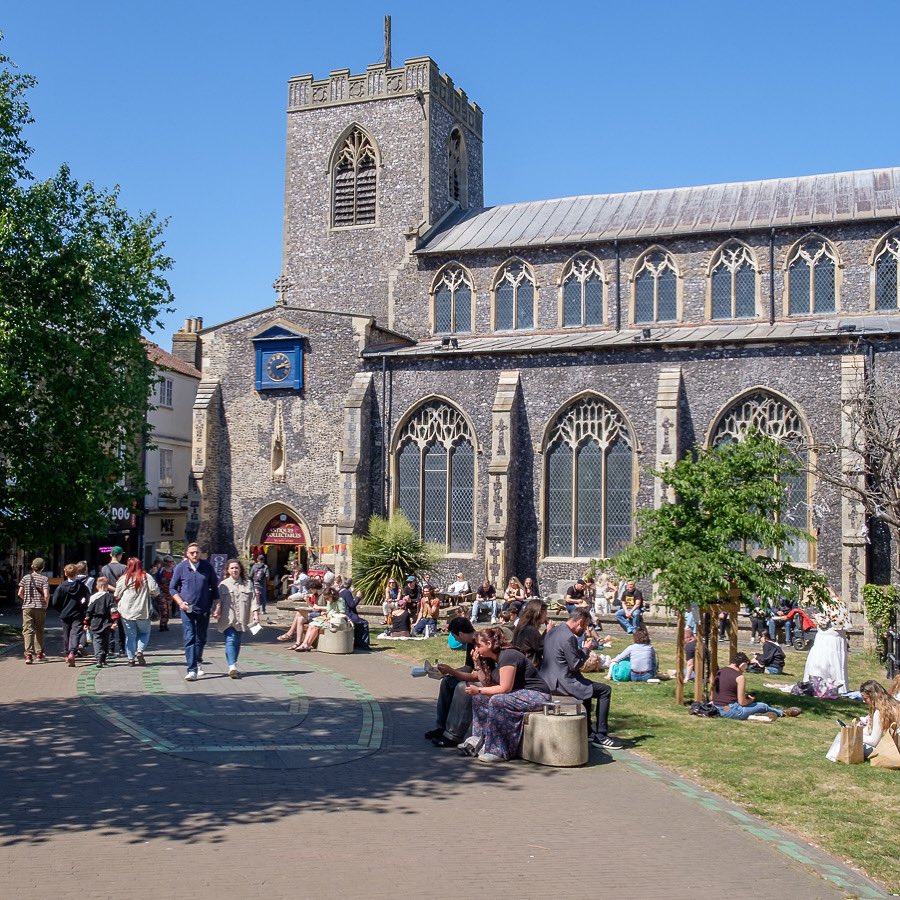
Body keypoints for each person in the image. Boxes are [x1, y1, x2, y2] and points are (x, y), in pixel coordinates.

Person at [459, 627, 551, 762]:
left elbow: (505, 688)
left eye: (479, 645)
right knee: (479, 699)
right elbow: (487, 684)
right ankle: (478, 740)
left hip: (538, 695)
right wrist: (477, 664)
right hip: (518, 693)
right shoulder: (493, 659)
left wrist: (478, 690)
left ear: (489, 644)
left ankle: (498, 750)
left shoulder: (508, 656)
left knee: (497, 700)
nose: (476, 649)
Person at [540, 609, 623, 749]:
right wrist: (586, 649)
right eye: (585, 626)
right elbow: (575, 665)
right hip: (563, 683)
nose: (585, 630)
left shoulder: (553, 631)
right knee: (605, 690)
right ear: (580, 622)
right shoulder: (569, 637)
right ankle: (601, 735)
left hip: (548, 679)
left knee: (588, 687)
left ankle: (588, 731)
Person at [425, 617, 478, 748]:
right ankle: (442, 727)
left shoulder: (480, 644)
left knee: (462, 687)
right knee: (448, 681)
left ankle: (453, 734)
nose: (455, 640)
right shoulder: (471, 643)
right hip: (479, 676)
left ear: (460, 633)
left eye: (454, 636)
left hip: (487, 680)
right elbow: (468, 667)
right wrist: (447, 672)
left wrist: (452, 671)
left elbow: (478, 675)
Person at [171, 543, 219, 681]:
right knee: (189, 637)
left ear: (200, 553)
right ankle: (191, 669)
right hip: (186, 609)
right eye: (192, 552)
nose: (194, 555)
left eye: (197, 552)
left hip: (203, 608)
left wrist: (217, 606)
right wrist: (180, 602)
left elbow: (214, 587)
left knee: (201, 638)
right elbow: (172, 588)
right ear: (187, 553)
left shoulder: (207, 567)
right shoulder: (181, 567)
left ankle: (198, 661)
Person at [712, 653, 801, 720]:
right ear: (743, 664)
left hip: (717, 708)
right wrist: (751, 699)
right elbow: (742, 703)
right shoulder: (739, 677)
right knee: (762, 705)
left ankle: (761, 715)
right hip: (732, 711)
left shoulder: (720, 671)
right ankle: (783, 713)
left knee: (756, 707)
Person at [214, 558, 259, 678]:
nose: (234, 570)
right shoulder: (223, 585)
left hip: (242, 618)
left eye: (236, 568)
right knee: (231, 639)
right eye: (232, 568)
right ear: (228, 570)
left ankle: (233, 663)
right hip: (227, 618)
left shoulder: (248, 583)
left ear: (240, 569)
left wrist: (255, 614)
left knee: (237, 641)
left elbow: (254, 599)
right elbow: (218, 601)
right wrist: (216, 611)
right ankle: (232, 667)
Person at [803, 590, 851, 693]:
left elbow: (824, 623)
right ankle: (839, 686)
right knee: (837, 662)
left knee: (822, 661)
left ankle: (821, 685)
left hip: (826, 637)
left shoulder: (827, 604)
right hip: (838, 637)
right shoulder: (843, 604)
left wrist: (817, 617)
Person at [115, 557, 160, 667]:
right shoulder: (146, 576)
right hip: (142, 611)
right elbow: (155, 591)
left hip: (127, 612)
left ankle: (131, 660)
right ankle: (140, 651)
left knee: (130, 636)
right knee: (144, 633)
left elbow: (116, 594)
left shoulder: (124, 578)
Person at [52, 563, 91, 667]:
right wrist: (83, 607)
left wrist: (61, 610)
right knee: (75, 633)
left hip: (65, 614)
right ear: (77, 573)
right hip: (78, 613)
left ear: (65, 573)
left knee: (66, 634)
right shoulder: (81, 586)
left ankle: (66, 653)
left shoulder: (61, 587)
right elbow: (87, 599)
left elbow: (55, 602)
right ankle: (72, 652)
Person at [17, 557, 50, 664]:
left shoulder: (26, 578)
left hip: (27, 607)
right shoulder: (44, 579)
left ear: (32, 566)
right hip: (40, 607)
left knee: (27, 630)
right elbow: (46, 595)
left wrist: (26, 600)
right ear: (43, 567)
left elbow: (19, 593)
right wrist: (46, 604)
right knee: (39, 629)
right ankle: (39, 653)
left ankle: (28, 655)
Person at [295, 586, 346, 651]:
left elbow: (342, 613)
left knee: (315, 626)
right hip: (327, 619)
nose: (326, 599)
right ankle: (305, 644)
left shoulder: (340, 600)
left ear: (331, 595)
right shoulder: (329, 601)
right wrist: (324, 615)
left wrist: (331, 617)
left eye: (327, 597)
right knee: (311, 625)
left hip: (335, 621)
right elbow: (328, 610)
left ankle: (308, 644)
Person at [101, 547, 127, 657]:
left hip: (109, 597)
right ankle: (122, 648)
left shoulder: (104, 569)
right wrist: (119, 591)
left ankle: (110, 648)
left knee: (110, 622)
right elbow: (127, 583)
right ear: (120, 555)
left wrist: (114, 590)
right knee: (122, 623)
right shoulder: (124, 568)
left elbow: (104, 583)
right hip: (121, 598)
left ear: (111, 555)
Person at [86, 576, 117, 668]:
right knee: (105, 640)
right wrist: (115, 621)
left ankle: (98, 659)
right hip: (107, 621)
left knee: (97, 640)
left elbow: (89, 611)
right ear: (107, 586)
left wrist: (86, 623)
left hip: (95, 621)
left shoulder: (93, 597)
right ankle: (103, 658)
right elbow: (113, 610)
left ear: (97, 586)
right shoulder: (110, 597)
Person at [512, 599, 549, 667]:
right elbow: (541, 647)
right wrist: (548, 631)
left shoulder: (522, 626)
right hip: (529, 666)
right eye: (545, 614)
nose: (546, 617)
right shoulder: (530, 630)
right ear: (539, 614)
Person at [345, 584, 370, 650]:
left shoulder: (341, 592)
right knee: (364, 623)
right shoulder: (346, 592)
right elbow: (352, 605)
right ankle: (362, 645)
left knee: (361, 622)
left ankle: (358, 644)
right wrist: (358, 597)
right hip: (348, 615)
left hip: (347, 614)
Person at [156, 555, 175, 631]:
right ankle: (162, 624)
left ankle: (166, 623)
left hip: (170, 592)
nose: (170, 563)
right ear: (165, 562)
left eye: (171, 561)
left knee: (169, 609)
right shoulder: (161, 570)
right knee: (164, 609)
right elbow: (157, 580)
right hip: (162, 592)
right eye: (168, 561)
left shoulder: (174, 571)